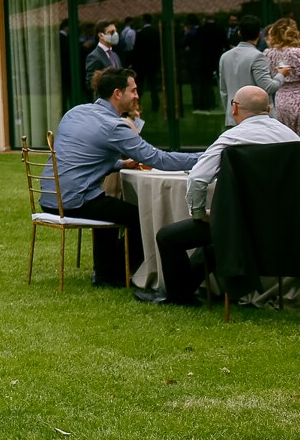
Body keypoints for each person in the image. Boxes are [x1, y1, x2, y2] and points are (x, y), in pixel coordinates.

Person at [43, 68, 199, 287]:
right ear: (118, 93)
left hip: (50, 197)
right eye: (133, 91)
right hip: (75, 200)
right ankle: (113, 273)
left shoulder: (76, 112)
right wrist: (206, 157)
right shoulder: (114, 126)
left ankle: (106, 271)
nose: (137, 96)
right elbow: (159, 159)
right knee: (142, 218)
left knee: (106, 205)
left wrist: (121, 164)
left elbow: (82, 156)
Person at [155, 86, 299, 306]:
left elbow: (198, 179)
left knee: (167, 237)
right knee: (214, 245)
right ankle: (183, 291)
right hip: (285, 231)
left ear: (234, 108)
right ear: (269, 109)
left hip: (236, 230)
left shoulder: (232, 138)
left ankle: (178, 297)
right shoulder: (292, 138)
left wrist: (200, 214)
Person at [218, 18, 280, 109]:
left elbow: (224, 91)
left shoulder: (225, 57)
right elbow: (268, 87)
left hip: (233, 111)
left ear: (239, 33)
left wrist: (229, 111)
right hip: (254, 114)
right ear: (259, 34)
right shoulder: (258, 56)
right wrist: (281, 75)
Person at [265, 17, 300, 133]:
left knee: (286, 133)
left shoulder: (268, 53)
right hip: (297, 96)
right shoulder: (296, 52)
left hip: (280, 98)